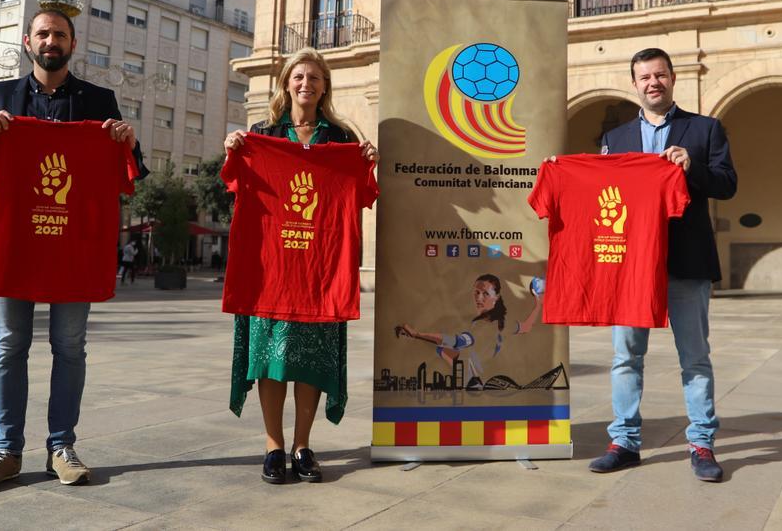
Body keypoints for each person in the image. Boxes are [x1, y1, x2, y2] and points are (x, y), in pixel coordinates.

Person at [0, 9, 147, 495]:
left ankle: (62, 447)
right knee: (9, 346)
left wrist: (128, 142)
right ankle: (6, 452)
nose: (51, 40)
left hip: (72, 246)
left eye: (59, 34)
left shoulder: (99, 102)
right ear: (27, 41)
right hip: (13, 243)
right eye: (43, 33)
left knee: (69, 347)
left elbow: (132, 175)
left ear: (72, 43)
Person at [224, 47, 378, 485]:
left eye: (314, 77)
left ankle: (302, 446)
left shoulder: (341, 139)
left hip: (320, 273)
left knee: (309, 361)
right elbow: (235, 184)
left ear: (325, 85)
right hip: (271, 272)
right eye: (298, 77)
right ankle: (274, 446)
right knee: (271, 360)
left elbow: (364, 194)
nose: (305, 84)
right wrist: (235, 149)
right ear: (286, 83)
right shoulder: (263, 132)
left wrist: (368, 162)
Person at [588, 47, 737, 482]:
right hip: (631, 265)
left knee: (694, 357)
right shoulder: (614, 141)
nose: (653, 83)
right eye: (644, 77)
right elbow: (602, 195)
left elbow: (727, 184)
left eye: (660, 75)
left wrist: (692, 169)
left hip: (686, 261)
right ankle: (625, 442)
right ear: (634, 84)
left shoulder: (705, 129)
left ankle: (702, 445)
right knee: (626, 357)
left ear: (673, 79)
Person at [394, 275, 544, 388]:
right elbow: (526, 327)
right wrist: (538, 304)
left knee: (445, 348)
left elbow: (455, 341)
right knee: (443, 350)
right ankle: (471, 379)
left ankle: (471, 380)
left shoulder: (482, 326)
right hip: (492, 377)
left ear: (496, 297)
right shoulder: (504, 322)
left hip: (486, 382)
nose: (479, 298)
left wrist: (417, 335)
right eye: (477, 292)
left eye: (485, 293)